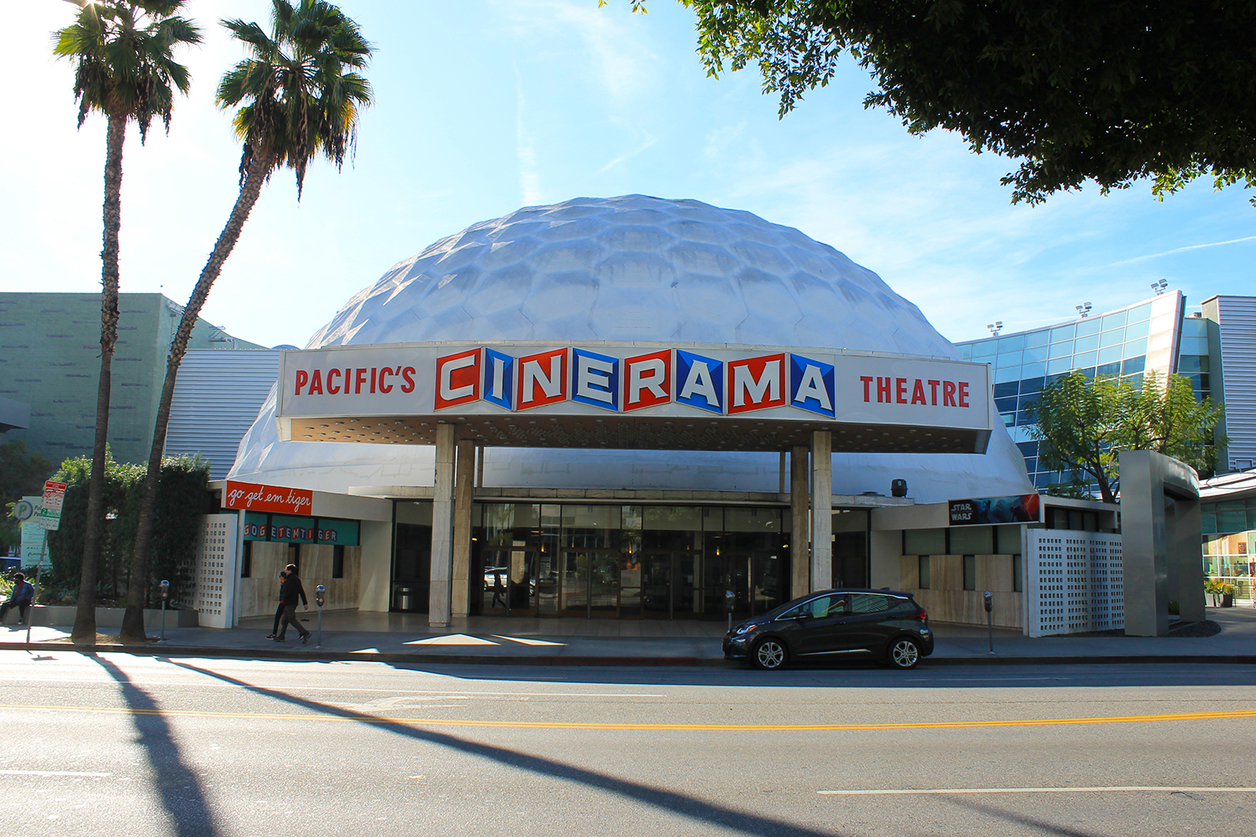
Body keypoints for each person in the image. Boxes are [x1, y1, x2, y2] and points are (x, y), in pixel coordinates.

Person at [274, 563, 311, 644]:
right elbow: (301, 591)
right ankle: (281, 635)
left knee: (291, 619)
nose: (285, 571)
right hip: (291, 602)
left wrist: (283, 598)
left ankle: (304, 632)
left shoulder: (291, 580)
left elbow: (289, 591)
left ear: (290, 571)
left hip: (290, 602)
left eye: (287, 570)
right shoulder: (295, 579)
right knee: (284, 620)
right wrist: (305, 603)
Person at [266, 569, 288, 639]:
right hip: (284, 602)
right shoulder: (284, 584)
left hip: (283, 603)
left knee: (279, 617)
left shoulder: (285, 584)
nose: (279, 578)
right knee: (286, 619)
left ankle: (274, 633)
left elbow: (285, 594)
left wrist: (281, 598)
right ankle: (278, 634)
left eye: (280, 576)